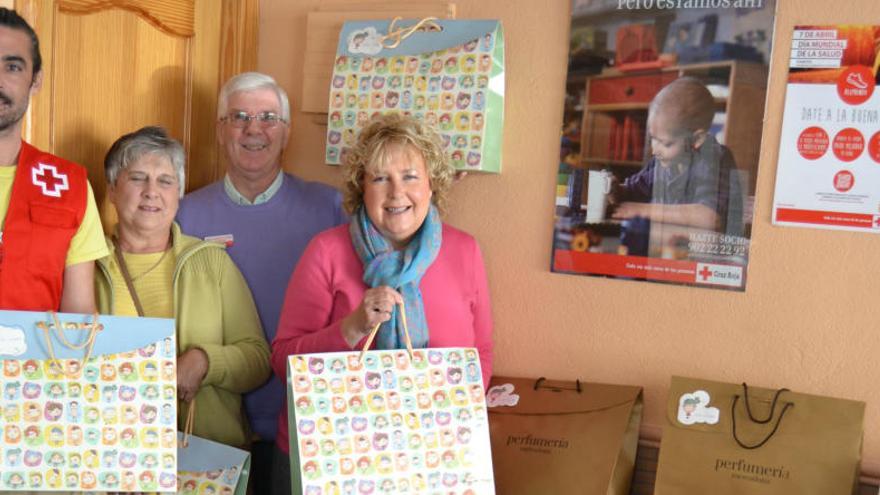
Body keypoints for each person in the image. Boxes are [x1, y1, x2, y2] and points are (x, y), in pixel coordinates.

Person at [270, 113, 493, 494]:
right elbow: (282, 361)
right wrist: (351, 328)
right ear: (362, 186)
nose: (396, 193)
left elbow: (481, 355)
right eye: (380, 178)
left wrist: (444, 415)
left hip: (432, 457)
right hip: (326, 458)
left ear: (431, 185)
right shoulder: (327, 251)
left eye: (409, 176)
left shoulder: (464, 251)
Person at [176, 72, 347, 487]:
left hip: (304, 426)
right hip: (209, 424)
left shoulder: (330, 208)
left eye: (268, 117)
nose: (254, 129)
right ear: (220, 131)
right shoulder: (183, 214)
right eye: (239, 117)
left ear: (287, 132)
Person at [94, 126, 270, 448]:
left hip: (205, 455)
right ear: (112, 190)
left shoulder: (212, 263)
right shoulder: (88, 268)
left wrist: (204, 361)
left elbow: (258, 361)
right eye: (137, 178)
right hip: (114, 451)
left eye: (165, 180)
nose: (151, 191)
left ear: (179, 195)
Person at [0, 8, 107, 311]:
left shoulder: (69, 186)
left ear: (36, 81)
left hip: (36, 359)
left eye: (13, 67)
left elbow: (79, 318)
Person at [610, 77, 743, 237]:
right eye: (653, 138)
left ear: (696, 139)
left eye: (666, 143)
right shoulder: (663, 161)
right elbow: (632, 191)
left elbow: (709, 217)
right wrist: (614, 189)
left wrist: (642, 210)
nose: (654, 150)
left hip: (708, 252)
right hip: (672, 246)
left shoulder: (713, 158)